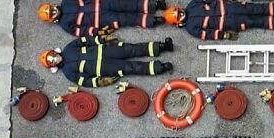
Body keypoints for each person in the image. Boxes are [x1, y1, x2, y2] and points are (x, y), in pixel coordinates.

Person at [39, 35, 174, 88]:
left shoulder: (69, 48)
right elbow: (85, 81)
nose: (55, 58)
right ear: (53, 67)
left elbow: (84, 41)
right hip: (105, 67)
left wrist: (102, 39)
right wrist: (101, 81)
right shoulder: (68, 73)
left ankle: (161, 47)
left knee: (131, 49)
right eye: (52, 61)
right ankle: (160, 67)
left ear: (54, 51)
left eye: (53, 55)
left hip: (106, 51)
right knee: (131, 67)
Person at [37, 0, 165, 37]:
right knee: (127, 19)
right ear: (51, 20)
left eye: (50, 8)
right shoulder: (65, 25)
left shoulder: (66, 0)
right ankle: (154, 20)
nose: (52, 11)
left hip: (104, 3)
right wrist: (96, 32)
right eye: (50, 14)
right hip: (103, 20)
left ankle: (154, 5)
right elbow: (81, 32)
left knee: (128, 3)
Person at [163, 0, 274, 39]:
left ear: (179, 8)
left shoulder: (193, 3)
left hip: (229, 7)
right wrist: (224, 35)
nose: (181, 14)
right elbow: (208, 34)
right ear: (177, 23)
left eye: (179, 11)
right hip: (229, 23)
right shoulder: (191, 29)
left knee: (253, 8)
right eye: (178, 16)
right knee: (253, 21)